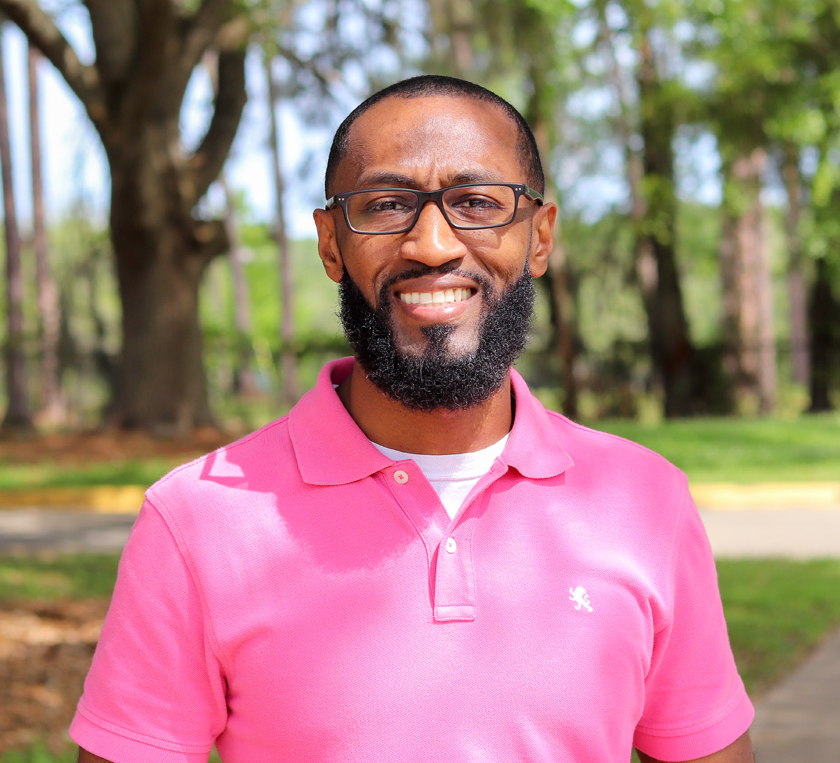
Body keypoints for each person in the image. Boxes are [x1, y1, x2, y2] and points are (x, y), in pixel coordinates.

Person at [72, 75, 754, 763]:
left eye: (478, 202)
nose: (432, 244)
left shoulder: (645, 500)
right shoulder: (195, 518)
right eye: (388, 204)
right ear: (331, 242)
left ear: (539, 238)